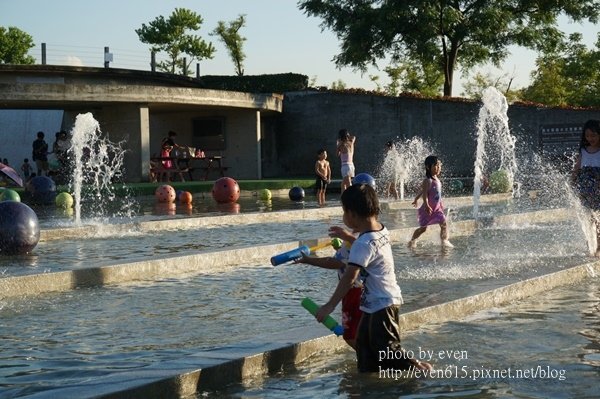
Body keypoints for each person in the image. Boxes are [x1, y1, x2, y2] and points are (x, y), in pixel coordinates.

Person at [315, 184, 432, 372]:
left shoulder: (363, 243)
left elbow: (350, 276)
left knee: (387, 349)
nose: (344, 217)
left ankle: (421, 370)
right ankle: (369, 383)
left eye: (344, 212)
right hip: (373, 303)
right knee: (365, 349)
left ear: (352, 215)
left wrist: (329, 306)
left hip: (383, 303)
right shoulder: (380, 231)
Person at [295, 227, 361, 349]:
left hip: (354, 293)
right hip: (361, 291)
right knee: (359, 333)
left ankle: (372, 360)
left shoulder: (356, 238)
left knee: (351, 336)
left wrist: (309, 260)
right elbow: (345, 259)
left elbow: (335, 262)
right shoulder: (364, 236)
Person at [408, 155, 453, 248]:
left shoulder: (437, 180)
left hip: (437, 209)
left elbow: (424, 191)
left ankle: (444, 241)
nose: (438, 168)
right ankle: (412, 241)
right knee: (423, 228)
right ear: (428, 167)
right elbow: (425, 194)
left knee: (443, 224)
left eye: (439, 165)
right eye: (436, 165)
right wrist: (427, 205)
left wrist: (416, 198)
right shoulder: (427, 180)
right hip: (427, 209)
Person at [571, 119, 600, 257]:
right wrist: (572, 180)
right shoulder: (583, 151)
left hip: (598, 190)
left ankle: (599, 247)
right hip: (585, 191)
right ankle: (590, 246)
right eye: (588, 136)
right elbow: (577, 167)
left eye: (594, 135)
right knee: (588, 218)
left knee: (598, 219)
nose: (591, 138)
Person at [336, 129, 356, 193]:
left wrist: (338, 145)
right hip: (351, 165)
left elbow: (337, 154)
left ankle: (350, 197)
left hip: (345, 166)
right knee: (343, 184)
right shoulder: (351, 142)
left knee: (348, 183)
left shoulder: (341, 145)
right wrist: (347, 136)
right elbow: (354, 137)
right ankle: (343, 198)